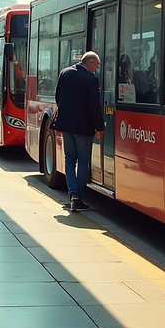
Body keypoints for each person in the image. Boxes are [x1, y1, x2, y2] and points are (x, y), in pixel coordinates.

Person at [51, 51, 105, 212]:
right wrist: (99, 127)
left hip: (66, 126)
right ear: (90, 63)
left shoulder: (65, 73)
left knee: (69, 160)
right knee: (82, 161)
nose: (96, 69)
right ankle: (79, 197)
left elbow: (57, 97)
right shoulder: (91, 80)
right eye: (96, 65)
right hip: (84, 128)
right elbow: (94, 105)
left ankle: (72, 194)